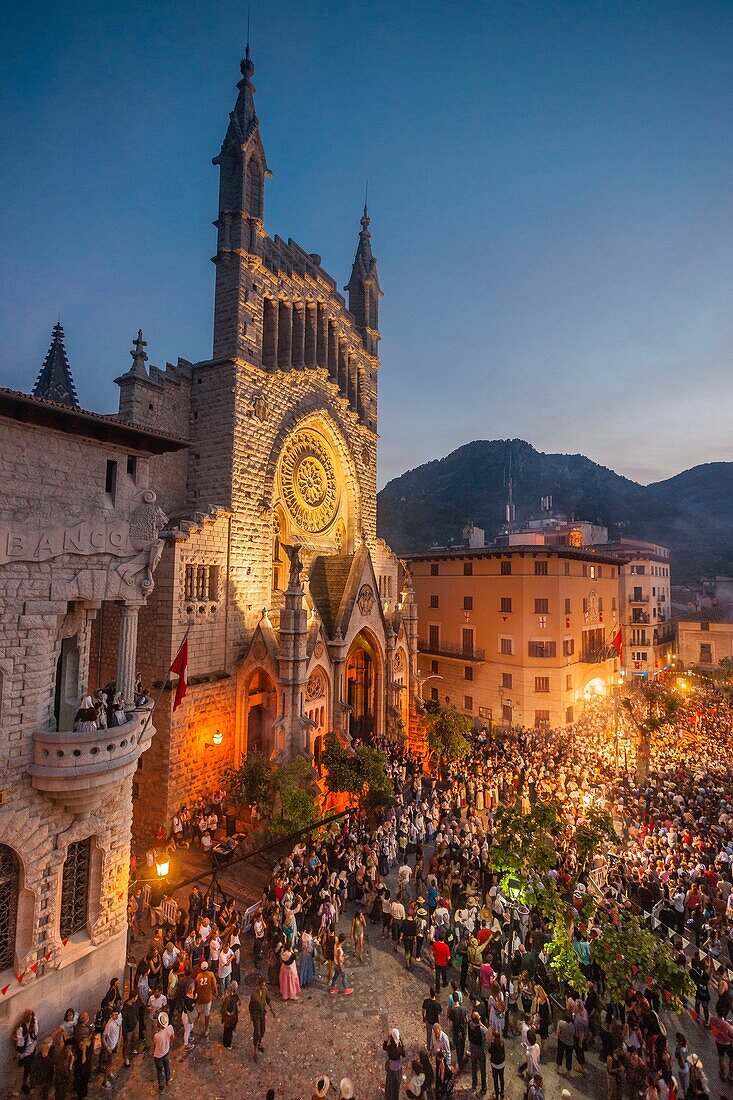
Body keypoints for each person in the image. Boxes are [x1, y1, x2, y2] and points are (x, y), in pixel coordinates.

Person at [249, 975, 275, 1063]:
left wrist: (272, 1009)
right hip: (256, 1014)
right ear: (259, 985)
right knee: (257, 1032)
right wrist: (251, 1015)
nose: (263, 987)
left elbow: (268, 1000)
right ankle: (255, 1049)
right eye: (262, 985)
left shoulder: (265, 991)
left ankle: (259, 1043)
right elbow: (251, 1006)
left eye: (264, 985)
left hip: (262, 1013)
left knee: (263, 1030)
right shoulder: (254, 994)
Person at [15, 1007, 38, 1095]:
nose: (29, 1018)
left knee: (30, 1067)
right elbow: (20, 1042)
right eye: (28, 1017)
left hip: (32, 1047)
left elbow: (36, 1031)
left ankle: (27, 1084)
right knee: (27, 1069)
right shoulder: (21, 1028)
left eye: (31, 1017)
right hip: (25, 1052)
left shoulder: (33, 1024)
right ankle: (25, 1085)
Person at [195, 959, 217, 1038]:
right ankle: (206, 1028)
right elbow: (214, 985)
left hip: (200, 998)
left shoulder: (198, 976)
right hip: (207, 998)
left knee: (199, 1012)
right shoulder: (211, 975)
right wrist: (216, 993)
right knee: (207, 1013)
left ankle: (196, 1025)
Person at [152, 1011, 174, 1092]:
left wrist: (152, 1052)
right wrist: (169, 1044)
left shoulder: (157, 1036)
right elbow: (172, 1037)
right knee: (167, 1066)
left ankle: (161, 1086)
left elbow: (154, 1045)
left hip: (158, 1056)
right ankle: (168, 1080)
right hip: (166, 1051)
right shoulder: (170, 1028)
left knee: (159, 1071)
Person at [468, 1009, 488, 1094]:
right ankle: (483, 1087)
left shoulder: (469, 1024)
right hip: (480, 1049)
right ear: (478, 1019)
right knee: (482, 1068)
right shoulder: (482, 1029)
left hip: (472, 1047)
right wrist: (480, 1023)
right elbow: (487, 1031)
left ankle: (474, 1084)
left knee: (474, 1067)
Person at [101, 1005, 121, 1090]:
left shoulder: (119, 1018)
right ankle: (105, 1082)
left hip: (115, 1045)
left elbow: (120, 1027)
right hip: (110, 1047)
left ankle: (109, 1073)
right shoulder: (110, 1024)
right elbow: (103, 1036)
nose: (114, 1017)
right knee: (109, 1064)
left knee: (111, 1063)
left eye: (116, 1015)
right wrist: (107, 1047)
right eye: (113, 1015)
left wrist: (119, 1041)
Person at [383, 1027, 405, 1100]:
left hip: (392, 1066)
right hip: (398, 1066)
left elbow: (384, 1047)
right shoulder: (400, 1047)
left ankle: (389, 1095)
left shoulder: (390, 1047)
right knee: (396, 1082)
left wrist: (387, 1039)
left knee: (390, 1082)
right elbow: (404, 1055)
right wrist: (400, 1040)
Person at [221, 981, 240, 1049]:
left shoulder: (231, 996)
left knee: (228, 1030)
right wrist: (229, 1013)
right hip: (230, 1018)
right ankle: (227, 1044)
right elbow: (226, 1008)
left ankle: (227, 1041)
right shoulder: (230, 998)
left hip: (230, 1017)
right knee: (228, 1030)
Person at [489, 1026, 506, 1099]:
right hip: (502, 1063)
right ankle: (502, 1092)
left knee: (495, 1080)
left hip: (495, 1065)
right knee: (501, 1078)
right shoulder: (502, 1042)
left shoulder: (493, 1044)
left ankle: (496, 1095)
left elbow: (490, 1051)